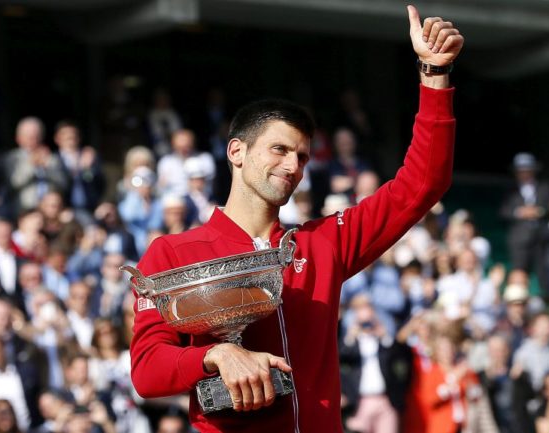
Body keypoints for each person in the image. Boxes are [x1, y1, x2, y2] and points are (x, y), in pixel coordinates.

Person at [128, 7, 462, 432]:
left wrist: (434, 73)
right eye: (279, 150)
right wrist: (215, 355)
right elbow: (146, 370)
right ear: (237, 152)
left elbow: (424, 183)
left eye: (302, 156)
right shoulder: (172, 252)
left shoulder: (323, 243)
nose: (293, 166)